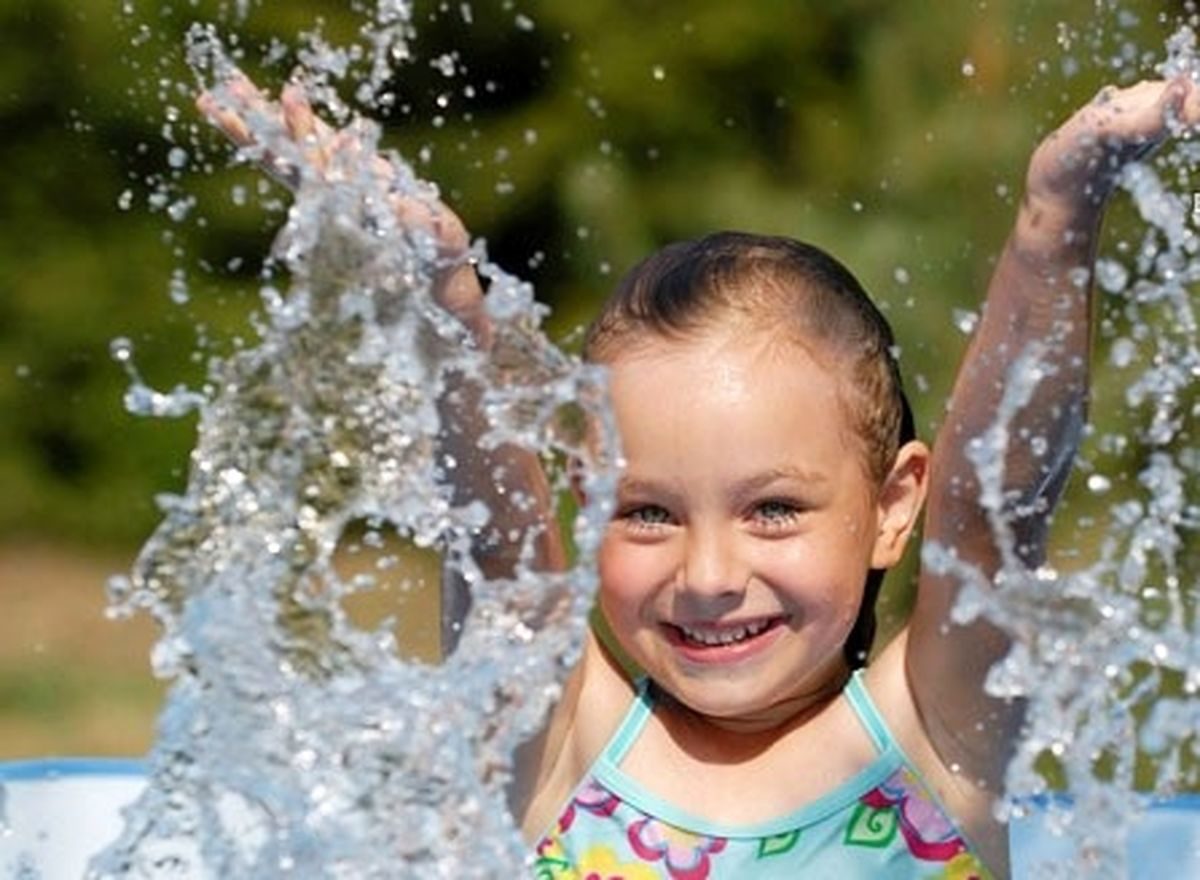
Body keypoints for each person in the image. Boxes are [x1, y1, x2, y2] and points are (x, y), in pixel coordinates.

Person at [199, 74, 1200, 878]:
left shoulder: (932, 739)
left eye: (773, 508)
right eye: (646, 512)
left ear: (894, 505)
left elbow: (994, 506)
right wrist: (441, 306)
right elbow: (498, 542)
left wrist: (1058, 216)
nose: (709, 572)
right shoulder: (569, 750)